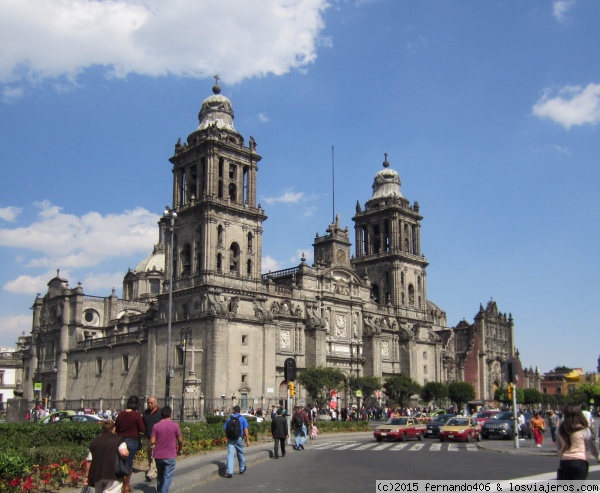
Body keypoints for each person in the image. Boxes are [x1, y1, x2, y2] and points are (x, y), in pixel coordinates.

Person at [84, 419, 129, 493]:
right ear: (114, 429)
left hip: (97, 474)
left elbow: (89, 461)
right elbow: (124, 453)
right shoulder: (118, 439)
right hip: (113, 473)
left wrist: (86, 476)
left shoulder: (95, 441)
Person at [557, 404, 600, 480]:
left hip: (565, 462)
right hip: (580, 461)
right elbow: (592, 447)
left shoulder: (561, 429)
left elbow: (559, 447)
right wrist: (598, 457)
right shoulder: (584, 429)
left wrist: (563, 455)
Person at [115, 395, 145, 493]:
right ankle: (126, 486)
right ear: (136, 405)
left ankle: (120, 485)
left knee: (120, 463)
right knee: (128, 464)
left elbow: (117, 427)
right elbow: (142, 429)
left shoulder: (120, 414)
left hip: (120, 441)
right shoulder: (136, 415)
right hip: (132, 441)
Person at [150, 406, 183, 493]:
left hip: (158, 455)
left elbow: (152, 441)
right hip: (170, 456)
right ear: (170, 414)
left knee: (160, 476)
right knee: (167, 477)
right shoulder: (175, 425)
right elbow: (180, 440)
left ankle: (160, 491)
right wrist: (180, 449)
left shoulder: (156, 426)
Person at [223, 405, 250, 478]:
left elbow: (225, 428)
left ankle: (229, 471)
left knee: (230, 454)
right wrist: (247, 440)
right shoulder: (243, 418)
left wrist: (227, 437)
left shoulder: (229, 419)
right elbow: (246, 430)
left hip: (231, 439)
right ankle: (241, 468)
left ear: (234, 411)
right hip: (239, 438)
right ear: (240, 411)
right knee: (240, 453)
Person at [142, 395, 161, 482]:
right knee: (149, 455)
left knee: (154, 455)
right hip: (148, 437)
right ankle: (152, 468)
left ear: (156, 403)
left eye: (151, 403)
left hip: (157, 438)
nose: (149, 404)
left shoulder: (160, 412)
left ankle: (152, 473)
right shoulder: (145, 413)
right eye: (149, 403)